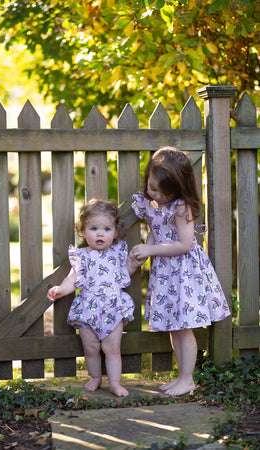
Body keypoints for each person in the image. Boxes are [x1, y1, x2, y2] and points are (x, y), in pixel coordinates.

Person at [130, 146, 231, 396]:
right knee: (175, 327)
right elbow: (155, 232)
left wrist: (151, 251)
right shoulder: (155, 204)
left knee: (184, 328)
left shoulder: (181, 208)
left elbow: (184, 245)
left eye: (162, 192)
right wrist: (145, 252)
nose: (155, 194)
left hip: (184, 274)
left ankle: (188, 379)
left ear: (178, 189)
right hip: (166, 274)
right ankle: (181, 376)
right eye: (152, 187)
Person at [47, 198, 138, 397]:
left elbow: (124, 274)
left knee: (112, 348)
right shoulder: (82, 257)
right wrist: (61, 289)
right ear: (83, 232)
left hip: (113, 307)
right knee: (91, 348)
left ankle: (114, 382)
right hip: (88, 308)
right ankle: (95, 377)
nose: (100, 233)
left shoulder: (117, 253)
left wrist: (133, 263)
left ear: (114, 232)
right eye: (93, 228)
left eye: (106, 229)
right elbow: (73, 278)